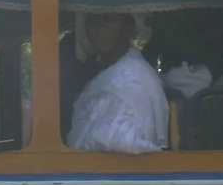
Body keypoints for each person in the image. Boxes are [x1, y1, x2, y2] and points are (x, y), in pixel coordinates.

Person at [66, 12, 169, 154]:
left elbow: (122, 143)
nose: (98, 28)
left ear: (128, 27)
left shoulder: (135, 76)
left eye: (107, 20)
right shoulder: (103, 74)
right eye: (92, 21)